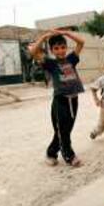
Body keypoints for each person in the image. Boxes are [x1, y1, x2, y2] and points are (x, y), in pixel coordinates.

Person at [28, 30, 85, 167]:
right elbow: (33, 52)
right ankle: (69, 156)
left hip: (74, 100)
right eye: (56, 48)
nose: (60, 51)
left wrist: (66, 33)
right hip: (60, 101)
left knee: (65, 130)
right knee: (62, 131)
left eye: (63, 47)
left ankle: (51, 153)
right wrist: (44, 37)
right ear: (52, 50)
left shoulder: (71, 59)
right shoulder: (50, 64)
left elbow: (81, 42)